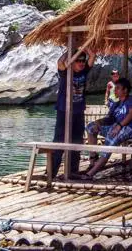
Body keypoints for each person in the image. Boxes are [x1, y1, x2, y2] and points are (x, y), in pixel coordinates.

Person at [84, 77, 132, 178]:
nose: (115, 90)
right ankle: (93, 159)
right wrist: (99, 122)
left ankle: (90, 174)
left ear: (125, 90)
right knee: (91, 127)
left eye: (118, 88)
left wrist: (119, 126)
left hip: (129, 128)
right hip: (115, 127)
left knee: (111, 138)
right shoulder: (116, 104)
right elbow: (109, 118)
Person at [52, 49, 92, 179]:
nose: (81, 63)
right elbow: (60, 62)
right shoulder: (66, 73)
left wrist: (83, 47)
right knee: (59, 141)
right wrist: (71, 50)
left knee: (77, 141)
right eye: (78, 61)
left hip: (78, 111)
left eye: (82, 61)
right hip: (64, 110)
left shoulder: (85, 71)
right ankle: (51, 172)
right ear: (72, 62)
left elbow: (93, 55)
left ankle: (72, 171)